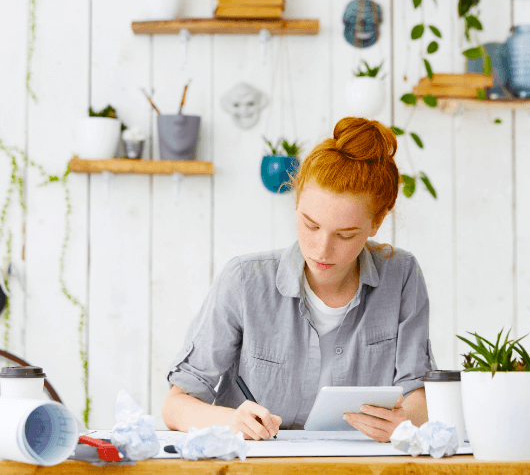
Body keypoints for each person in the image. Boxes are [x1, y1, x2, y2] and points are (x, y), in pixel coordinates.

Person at [162, 117, 434, 442]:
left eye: (345, 235)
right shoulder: (244, 281)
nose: (322, 249)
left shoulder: (401, 275)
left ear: (376, 223)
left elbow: (416, 392)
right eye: (310, 225)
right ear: (296, 203)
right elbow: (176, 406)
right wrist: (230, 420)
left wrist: (406, 420)